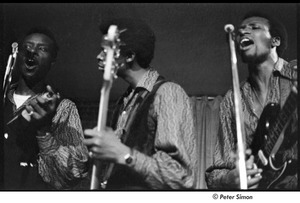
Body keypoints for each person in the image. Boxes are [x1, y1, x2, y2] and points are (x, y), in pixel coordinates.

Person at [83, 18, 198, 190]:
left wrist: (124, 154)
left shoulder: (168, 92)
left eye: (105, 51)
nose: (98, 56)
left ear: (129, 56)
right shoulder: (124, 102)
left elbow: (180, 177)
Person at [205, 12, 297, 190]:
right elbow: (215, 173)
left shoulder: (294, 76)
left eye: (254, 27)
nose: (243, 32)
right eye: (240, 31)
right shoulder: (232, 99)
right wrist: (229, 179)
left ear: (275, 41)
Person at [1, 26, 89, 190]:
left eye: (42, 49)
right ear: (18, 54)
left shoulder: (63, 107)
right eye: (27, 47)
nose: (32, 51)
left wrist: (43, 131)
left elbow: (75, 173)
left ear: (52, 61)